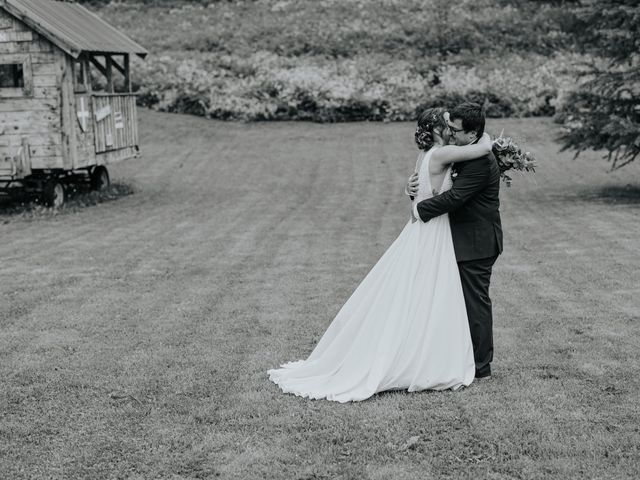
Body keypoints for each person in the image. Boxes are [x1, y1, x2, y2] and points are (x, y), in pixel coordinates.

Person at [267, 107, 493, 403]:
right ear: (439, 129)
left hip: (426, 230)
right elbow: (483, 148)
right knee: (430, 290)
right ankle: (426, 355)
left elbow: (420, 183)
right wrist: (488, 139)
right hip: (432, 229)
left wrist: (411, 193)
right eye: (447, 124)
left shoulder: (426, 154)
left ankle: (424, 349)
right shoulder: (443, 153)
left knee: (421, 290)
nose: (451, 128)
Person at [409, 102, 502, 379]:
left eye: (455, 129)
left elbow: (456, 197)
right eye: (447, 126)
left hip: (476, 242)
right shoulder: (461, 153)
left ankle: (481, 366)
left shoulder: (479, 162)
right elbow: (429, 177)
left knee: (474, 303)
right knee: (453, 302)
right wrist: (411, 189)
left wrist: (419, 208)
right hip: (455, 238)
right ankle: (453, 356)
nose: (450, 132)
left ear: (472, 135)